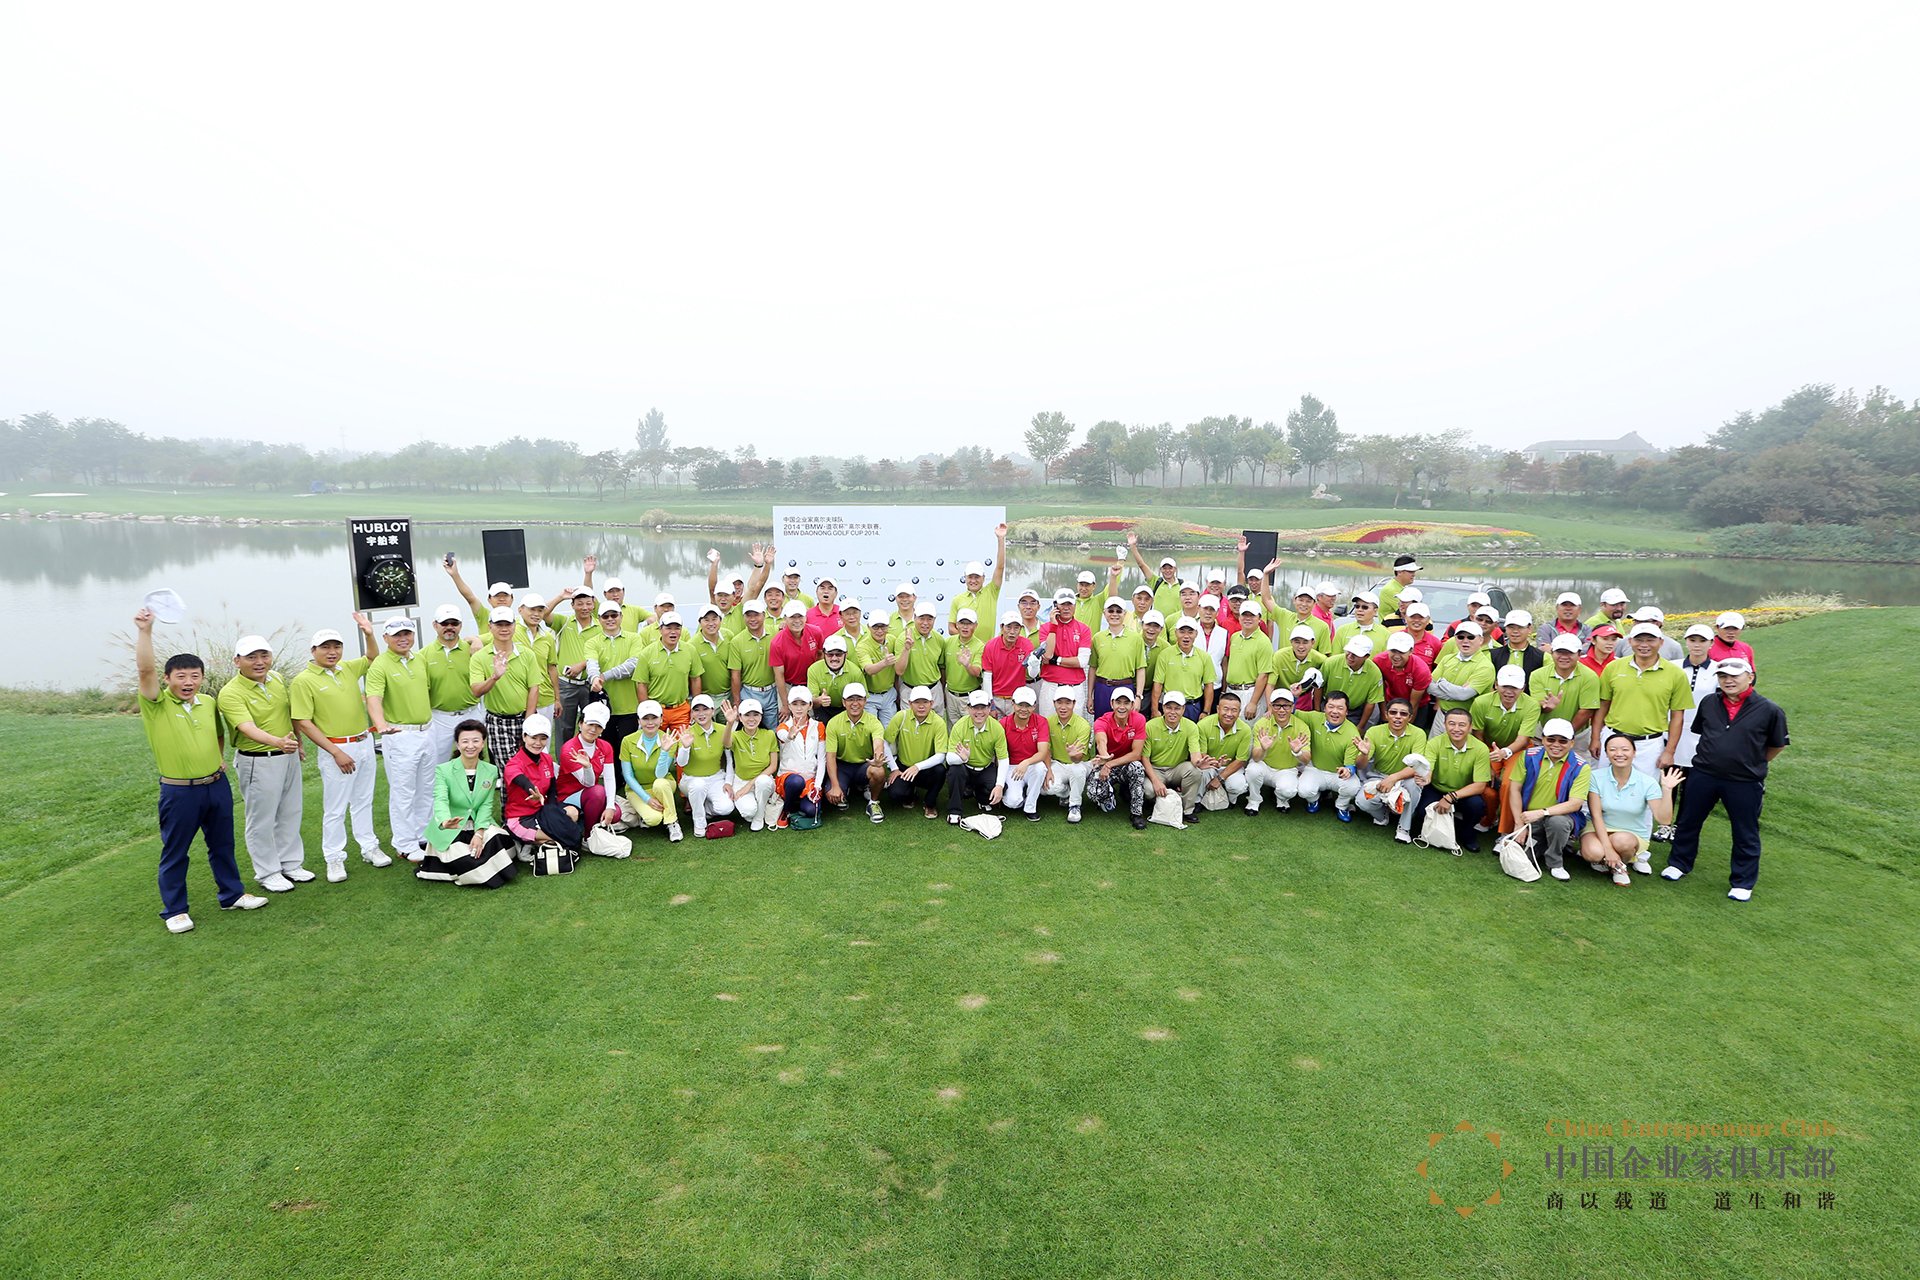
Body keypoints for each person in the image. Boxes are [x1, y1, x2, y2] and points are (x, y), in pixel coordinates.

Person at [133, 608, 267, 932]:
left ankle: (231, 895)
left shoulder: (207, 702)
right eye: (181, 676)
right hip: (180, 791)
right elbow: (145, 669)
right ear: (167, 679)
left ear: (202, 678)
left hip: (216, 785)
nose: (188, 682)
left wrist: (218, 758)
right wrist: (145, 631)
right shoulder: (156, 703)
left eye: (194, 676)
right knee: (176, 851)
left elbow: (218, 733)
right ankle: (175, 910)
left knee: (223, 845)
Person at [1663, 659, 1788, 901]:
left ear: (1750, 677)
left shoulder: (1770, 710)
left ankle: (1742, 882)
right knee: (1688, 821)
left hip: (1744, 780)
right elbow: (1703, 732)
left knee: (1745, 831)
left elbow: (1777, 745)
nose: (1728, 681)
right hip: (1704, 773)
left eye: (1734, 676)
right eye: (1723, 676)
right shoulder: (1709, 702)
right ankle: (1679, 863)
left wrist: (1752, 761)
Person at [292, 615, 393, 882]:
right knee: (335, 808)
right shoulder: (303, 680)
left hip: (364, 742)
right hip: (336, 749)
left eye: (336, 646)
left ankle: (369, 846)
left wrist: (369, 633)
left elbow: (372, 657)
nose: (332, 652)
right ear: (313, 651)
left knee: (363, 800)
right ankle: (334, 858)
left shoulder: (346, 668)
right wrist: (336, 752)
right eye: (325, 647)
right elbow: (303, 721)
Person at [217, 633, 309, 892]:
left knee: (290, 811)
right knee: (261, 819)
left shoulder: (276, 678)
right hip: (258, 760)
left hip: (287, 755)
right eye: (251, 657)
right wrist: (277, 742)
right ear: (237, 661)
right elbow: (247, 728)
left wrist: (298, 743)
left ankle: (291, 863)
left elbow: (290, 715)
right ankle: (268, 872)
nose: (259, 662)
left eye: (264, 655)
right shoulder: (230, 693)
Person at [363, 618, 438, 864]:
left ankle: (423, 836)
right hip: (400, 735)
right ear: (385, 638)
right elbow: (373, 698)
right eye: (396, 635)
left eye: (407, 633)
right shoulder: (380, 665)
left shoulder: (419, 659)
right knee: (403, 792)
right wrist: (380, 725)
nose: (403, 638)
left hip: (427, 731)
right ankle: (404, 844)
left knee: (426, 789)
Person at [1591, 622, 1695, 777]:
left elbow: (1677, 716)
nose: (1644, 645)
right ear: (1630, 641)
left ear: (1661, 642)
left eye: (1650, 640)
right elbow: (1603, 704)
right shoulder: (1613, 667)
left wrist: (1669, 751)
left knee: (1646, 789)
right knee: (1606, 786)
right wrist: (1595, 738)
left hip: (1649, 744)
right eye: (1639, 640)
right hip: (1613, 738)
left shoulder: (1676, 674)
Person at [1581, 733, 1678, 885]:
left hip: (1631, 833)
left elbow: (1663, 819)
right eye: (1613, 749)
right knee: (1593, 853)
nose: (1619, 754)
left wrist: (1667, 790)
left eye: (1625, 749)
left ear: (1634, 753)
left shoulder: (1648, 782)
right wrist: (1608, 849)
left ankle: (1618, 867)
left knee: (1622, 841)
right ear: (1606, 753)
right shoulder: (1595, 777)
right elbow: (1596, 815)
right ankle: (1607, 859)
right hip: (1598, 828)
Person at [1504, 718, 1592, 881]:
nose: (1556, 745)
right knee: (1519, 858)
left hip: (1560, 817)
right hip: (1530, 818)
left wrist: (1542, 812)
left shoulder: (1581, 766)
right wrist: (1519, 823)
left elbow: (1575, 803)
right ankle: (1543, 843)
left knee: (1557, 822)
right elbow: (1515, 789)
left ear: (1572, 743)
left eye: (1563, 741)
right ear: (1543, 739)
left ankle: (1555, 862)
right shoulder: (1528, 756)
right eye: (1551, 739)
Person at [469, 605, 542, 768]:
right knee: (508, 770)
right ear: (490, 626)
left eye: (508, 624)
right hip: (498, 721)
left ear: (514, 626)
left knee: (531, 766)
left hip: (525, 717)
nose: (504, 629)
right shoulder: (479, 657)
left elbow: (534, 688)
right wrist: (494, 677)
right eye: (499, 624)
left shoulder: (527, 654)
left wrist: (528, 721)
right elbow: (476, 691)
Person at [1472, 665, 1541, 835]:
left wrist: (1504, 752)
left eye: (1514, 687)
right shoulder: (1481, 702)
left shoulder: (1532, 705)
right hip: (1489, 748)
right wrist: (1486, 762)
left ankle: (1506, 831)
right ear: (1496, 684)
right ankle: (1489, 819)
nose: (1509, 691)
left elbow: (1522, 740)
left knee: (1509, 784)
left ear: (1523, 688)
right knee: (1485, 783)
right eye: (1505, 686)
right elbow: (1478, 735)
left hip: (1518, 750)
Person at [1352, 698, 1428, 843]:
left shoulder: (1419, 734)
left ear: (1410, 717)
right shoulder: (1374, 731)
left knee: (1415, 784)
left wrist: (1393, 778)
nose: (1398, 717)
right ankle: (1383, 815)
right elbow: (1361, 766)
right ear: (1386, 715)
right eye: (1393, 712)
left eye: (1403, 714)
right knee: (1362, 802)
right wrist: (1364, 754)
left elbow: (1416, 766)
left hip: (1405, 778)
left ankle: (1404, 828)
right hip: (1377, 776)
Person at [1417, 707, 1493, 852]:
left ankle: (1467, 834)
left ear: (1470, 727)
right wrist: (1425, 778)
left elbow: (1480, 785)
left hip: (1463, 792)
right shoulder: (1434, 743)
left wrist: (1450, 797)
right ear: (1444, 725)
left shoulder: (1481, 748)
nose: (1456, 729)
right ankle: (1444, 828)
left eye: (1462, 725)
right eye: (1451, 724)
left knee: (1476, 806)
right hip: (1436, 788)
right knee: (1422, 812)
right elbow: (1428, 770)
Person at [424, 719, 501, 862]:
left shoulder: (491, 770)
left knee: (497, 848)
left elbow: (486, 804)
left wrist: (479, 834)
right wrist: (445, 821)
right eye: (465, 741)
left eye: (475, 741)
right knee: (465, 860)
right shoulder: (443, 770)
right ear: (458, 744)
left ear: (483, 743)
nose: (470, 746)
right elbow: (440, 799)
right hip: (453, 827)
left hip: (479, 823)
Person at [584, 598, 644, 760]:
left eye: (614, 615)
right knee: (608, 750)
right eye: (605, 616)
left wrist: (604, 676)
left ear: (621, 617)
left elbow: (632, 665)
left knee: (628, 750)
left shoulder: (634, 638)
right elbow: (592, 663)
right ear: (599, 619)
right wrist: (594, 677)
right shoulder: (592, 643)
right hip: (604, 707)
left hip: (630, 706)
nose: (610, 619)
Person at [422, 604, 481, 770]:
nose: (449, 627)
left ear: (460, 625)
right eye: (444, 623)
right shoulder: (423, 655)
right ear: (435, 625)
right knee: (438, 764)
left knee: (474, 762)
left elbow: (497, 633)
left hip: (471, 713)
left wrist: (477, 639)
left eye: (454, 623)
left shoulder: (473, 650)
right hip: (440, 717)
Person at [1291, 690, 1363, 820]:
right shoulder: (1315, 717)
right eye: (1331, 706)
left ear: (1347, 711)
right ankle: (1314, 800)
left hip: (1337, 774)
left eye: (1340, 708)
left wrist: (1348, 770)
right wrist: (1295, 697)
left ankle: (1341, 806)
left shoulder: (1352, 733)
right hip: (1315, 768)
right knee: (1304, 790)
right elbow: (1292, 711)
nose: (1335, 711)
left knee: (1353, 786)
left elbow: (1350, 765)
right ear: (1324, 708)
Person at [619, 700, 685, 842]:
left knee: (660, 783)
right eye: (645, 718)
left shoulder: (669, 739)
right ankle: (642, 810)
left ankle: (672, 821)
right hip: (636, 789)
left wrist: (664, 751)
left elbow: (660, 774)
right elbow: (628, 776)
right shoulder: (627, 741)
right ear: (639, 721)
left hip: (663, 784)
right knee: (653, 819)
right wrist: (646, 799)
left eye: (654, 718)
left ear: (661, 720)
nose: (650, 722)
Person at [882, 686, 950, 818]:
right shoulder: (901, 717)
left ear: (931, 703)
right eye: (917, 702)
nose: (921, 706)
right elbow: (885, 742)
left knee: (940, 771)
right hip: (903, 767)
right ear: (910, 703)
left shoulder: (938, 722)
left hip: (926, 768)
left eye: (925, 702)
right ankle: (910, 794)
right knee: (895, 794)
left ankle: (930, 803)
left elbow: (941, 755)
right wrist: (894, 768)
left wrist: (917, 767)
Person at [824, 683, 888, 823]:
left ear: (865, 701)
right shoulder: (834, 723)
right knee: (831, 795)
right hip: (842, 766)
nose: (855, 703)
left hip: (863, 765)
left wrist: (877, 757)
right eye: (850, 699)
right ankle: (845, 788)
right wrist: (835, 785)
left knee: (878, 771)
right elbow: (831, 757)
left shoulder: (873, 722)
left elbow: (878, 744)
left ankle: (873, 803)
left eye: (859, 699)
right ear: (843, 702)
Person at [502, 714, 566, 851]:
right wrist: (533, 791)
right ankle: (523, 841)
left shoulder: (547, 759)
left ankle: (531, 843)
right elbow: (523, 781)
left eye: (543, 738)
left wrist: (553, 813)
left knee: (571, 818)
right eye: (533, 737)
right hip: (520, 818)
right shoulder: (514, 764)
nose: (538, 743)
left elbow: (552, 789)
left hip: (541, 813)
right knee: (562, 837)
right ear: (524, 737)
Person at [1088, 686, 1150, 829]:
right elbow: (1101, 741)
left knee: (1137, 767)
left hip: (1126, 764)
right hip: (1107, 763)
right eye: (1118, 702)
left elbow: (1136, 754)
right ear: (1112, 704)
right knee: (1093, 793)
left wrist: (1109, 763)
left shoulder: (1139, 720)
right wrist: (1104, 757)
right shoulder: (1101, 721)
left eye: (1126, 703)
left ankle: (1136, 813)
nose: (1122, 707)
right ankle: (1110, 793)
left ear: (1132, 705)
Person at [944, 689, 1008, 823]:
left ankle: (978, 795)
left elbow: (1003, 759)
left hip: (985, 767)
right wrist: (963, 758)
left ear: (989, 708)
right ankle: (955, 810)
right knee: (955, 771)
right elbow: (949, 759)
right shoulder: (959, 726)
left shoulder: (997, 728)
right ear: (968, 708)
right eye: (975, 708)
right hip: (965, 768)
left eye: (983, 707)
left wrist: (999, 786)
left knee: (1001, 788)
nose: (979, 712)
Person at [675, 694, 736, 836]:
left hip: (715, 778)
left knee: (726, 808)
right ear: (692, 714)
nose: (701, 713)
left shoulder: (723, 729)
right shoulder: (687, 732)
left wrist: (728, 781)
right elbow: (681, 763)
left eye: (705, 709)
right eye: (696, 710)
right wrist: (685, 747)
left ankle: (701, 808)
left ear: (713, 711)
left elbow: (729, 759)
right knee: (698, 786)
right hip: (691, 779)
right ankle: (699, 823)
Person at [549, 586, 601, 747]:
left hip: (590, 685)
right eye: (580, 603)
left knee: (591, 727)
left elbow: (604, 653)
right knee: (564, 729)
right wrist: (560, 597)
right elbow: (543, 613)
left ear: (593, 604)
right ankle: (564, 761)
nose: (584, 607)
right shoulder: (564, 622)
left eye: (588, 603)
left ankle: (590, 760)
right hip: (566, 685)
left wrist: (583, 665)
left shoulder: (600, 626)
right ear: (572, 605)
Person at [1243, 689, 1307, 814]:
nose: (1281, 710)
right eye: (1277, 705)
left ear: (1292, 707)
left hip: (1287, 769)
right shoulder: (1261, 724)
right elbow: (1256, 758)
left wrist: (1298, 752)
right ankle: (1254, 801)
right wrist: (1263, 748)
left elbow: (1307, 759)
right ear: (1271, 706)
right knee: (1252, 770)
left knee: (1288, 791)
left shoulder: (1301, 726)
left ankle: (1281, 800)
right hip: (1265, 766)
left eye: (1286, 706)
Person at [720, 698, 780, 832]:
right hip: (741, 781)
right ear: (740, 718)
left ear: (761, 717)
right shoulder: (736, 736)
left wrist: (749, 785)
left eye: (756, 714)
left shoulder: (769, 734)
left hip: (763, 781)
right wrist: (730, 723)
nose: (751, 719)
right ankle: (760, 808)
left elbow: (773, 766)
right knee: (748, 813)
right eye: (747, 715)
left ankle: (760, 816)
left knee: (763, 781)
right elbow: (726, 743)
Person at [774, 686, 828, 829]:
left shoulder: (819, 726)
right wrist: (790, 735)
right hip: (788, 778)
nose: (799, 708)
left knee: (811, 810)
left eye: (803, 704)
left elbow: (821, 759)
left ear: (810, 705)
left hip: (810, 779)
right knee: (796, 782)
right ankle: (787, 810)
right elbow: (783, 736)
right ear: (789, 706)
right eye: (795, 704)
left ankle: (798, 803)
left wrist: (817, 786)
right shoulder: (784, 726)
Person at [995, 687, 1052, 821]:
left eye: (1028, 705)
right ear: (1013, 704)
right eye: (1020, 705)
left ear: (1034, 706)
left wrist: (1026, 762)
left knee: (1040, 768)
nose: (1024, 709)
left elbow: (1043, 752)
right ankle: (1024, 795)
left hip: (1032, 764)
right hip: (1011, 767)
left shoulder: (1041, 721)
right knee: (1013, 802)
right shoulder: (1003, 724)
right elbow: (999, 755)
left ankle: (1030, 807)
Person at [557, 701, 617, 827]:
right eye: (590, 724)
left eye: (598, 726)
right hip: (568, 797)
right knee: (598, 792)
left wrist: (610, 806)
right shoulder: (569, 749)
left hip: (592, 795)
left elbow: (609, 778)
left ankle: (586, 819)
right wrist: (588, 767)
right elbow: (588, 783)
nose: (593, 729)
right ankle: (588, 832)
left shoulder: (605, 746)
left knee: (616, 813)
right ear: (580, 724)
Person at [1427, 621, 1495, 730]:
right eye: (1460, 637)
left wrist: (1441, 683)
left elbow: (1464, 695)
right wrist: (1456, 693)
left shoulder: (1485, 666)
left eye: (1471, 637)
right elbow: (1429, 687)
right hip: (1441, 717)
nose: (1465, 641)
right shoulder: (1447, 659)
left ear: (1480, 640)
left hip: (1465, 721)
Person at [1040, 688, 1095, 822]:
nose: (1063, 707)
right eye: (1059, 702)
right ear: (1054, 703)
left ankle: (1075, 805)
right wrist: (1048, 770)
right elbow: (1046, 749)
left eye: (1068, 703)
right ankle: (1067, 793)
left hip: (1081, 763)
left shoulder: (1083, 725)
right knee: (1047, 788)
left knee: (1077, 769)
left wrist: (1073, 755)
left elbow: (1079, 758)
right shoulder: (1048, 722)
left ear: (1074, 703)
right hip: (1058, 763)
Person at [1531, 633, 1601, 737]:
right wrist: (1548, 707)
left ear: (1579, 654)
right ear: (1551, 652)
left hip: (1577, 735)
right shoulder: (1537, 675)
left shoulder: (1589, 677)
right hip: (1543, 732)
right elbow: (1539, 706)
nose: (1564, 657)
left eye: (1569, 653)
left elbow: (1586, 711)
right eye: (1559, 652)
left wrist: (1565, 736)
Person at [1035, 589, 1093, 714]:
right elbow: (1048, 655)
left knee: (1074, 724)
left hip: (1075, 687)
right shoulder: (1046, 628)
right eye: (1062, 604)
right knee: (1048, 723)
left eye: (1070, 604)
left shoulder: (1084, 629)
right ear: (1055, 606)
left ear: (1075, 605)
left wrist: (1056, 660)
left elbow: (1082, 661)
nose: (1066, 608)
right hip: (1051, 685)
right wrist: (1053, 626)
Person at [638, 611, 696, 732]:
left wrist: (696, 707)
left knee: (683, 742)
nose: (673, 632)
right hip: (656, 710)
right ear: (660, 629)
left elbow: (695, 679)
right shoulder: (647, 653)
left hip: (681, 709)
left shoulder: (690, 650)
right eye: (668, 628)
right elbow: (642, 684)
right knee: (657, 742)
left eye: (677, 628)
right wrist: (646, 711)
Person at [1193, 690, 1252, 810]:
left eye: (1234, 710)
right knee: (1203, 773)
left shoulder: (1245, 730)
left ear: (1239, 712)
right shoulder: (1203, 724)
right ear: (1218, 709)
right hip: (1209, 765)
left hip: (1231, 766)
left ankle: (1231, 799)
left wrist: (1219, 778)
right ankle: (1197, 801)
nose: (1229, 714)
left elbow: (1241, 760)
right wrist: (1214, 762)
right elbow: (1202, 753)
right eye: (1226, 709)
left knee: (1238, 786)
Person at [1089, 597, 1147, 717]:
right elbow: (1093, 667)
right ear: (1104, 613)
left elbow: (1140, 668)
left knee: (1125, 724)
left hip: (1125, 686)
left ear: (1124, 614)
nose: (1114, 614)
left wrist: (1138, 696)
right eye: (1110, 611)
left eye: (1118, 611)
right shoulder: (1097, 638)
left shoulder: (1136, 638)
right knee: (1101, 723)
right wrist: (1090, 696)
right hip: (1102, 688)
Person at [1153, 617, 1217, 721]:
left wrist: (1206, 711)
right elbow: (1158, 684)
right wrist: (1155, 709)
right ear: (1175, 633)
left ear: (1196, 634)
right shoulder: (1165, 655)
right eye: (1182, 632)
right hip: (1170, 706)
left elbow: (1209, 685)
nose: (1186, 636)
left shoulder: (1204, 657)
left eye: (1190, 632)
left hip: (1193, 706)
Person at [726, 598, 777, 718]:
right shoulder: (737, 641)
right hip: (749, 693)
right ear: (744, 617)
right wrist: (737, 702)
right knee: (750, 726)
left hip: (772, 692)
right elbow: (735, 675)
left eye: (756, 615)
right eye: (748, 616)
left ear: (764, 615)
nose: (752, 619)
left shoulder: (775, 632)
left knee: (774, 727)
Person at [770, 600, 824, 711]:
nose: (797, 621)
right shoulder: (777, 643)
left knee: (811, 718)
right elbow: (779, 676)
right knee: (787, 718)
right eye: (792, 617)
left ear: (806, 617)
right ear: (785, 619)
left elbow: (820, 654)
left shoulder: (816, 632)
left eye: (800, 616)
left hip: (810, 684)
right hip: (788, 686)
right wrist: (785, 705)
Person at [1322, 636, 1384, 733]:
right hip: (1328, 706)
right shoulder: (1331, 662)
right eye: (1349, 652)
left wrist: (1360, 726)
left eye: (1355, 654)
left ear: (1366, 656)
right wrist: (1317, 711)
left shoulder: (1374, 673)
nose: (1350, 656)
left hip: (1354, 711)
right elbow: (1319, 686)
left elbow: (1371, 702)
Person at [1221, 601, 1274, 712]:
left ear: (1259, 618)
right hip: (1231, 691)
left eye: (1252, 616)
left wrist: (1253, 703)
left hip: (1249, 693)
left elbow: (1263, 675)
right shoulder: (1235, 637)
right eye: (1244, 615)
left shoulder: (1264, 642)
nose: (1248, 619)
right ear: (1239, 617)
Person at [853, 613, 901, 722]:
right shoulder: (862, 646)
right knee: (871, 728)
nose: (879, 631)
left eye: (883, 627)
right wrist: (884, 662)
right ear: (868, 627)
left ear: (888, 627)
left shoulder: (892, 640)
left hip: (889, 694)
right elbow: (869, 670)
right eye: (875, 627)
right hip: (870, 696)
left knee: (889, 729)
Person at [1374, 631, 1432, 721]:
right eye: (1393, 651)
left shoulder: (1421, 670)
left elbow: (1414, 703)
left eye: (1401, 652)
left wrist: (1408, 724)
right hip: (1391, 701)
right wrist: (1384, 714)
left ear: (1411, 651)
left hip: (1417, 705)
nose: (1396, 656)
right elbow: (1380, 690)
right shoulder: (1379, 661)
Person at [1125, 531, 1183, 618]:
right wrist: (1133, 547)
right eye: (1164, 568)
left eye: (1170, 568)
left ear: (1175, 569)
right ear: (1161, 569)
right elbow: (1141, 565)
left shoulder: (1182, 585)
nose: (1167, 571)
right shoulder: (1156, 582)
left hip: (1176, 623)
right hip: (1157, 623)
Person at [807, 633, 859, 723]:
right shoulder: (814, 669)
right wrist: (819, 700)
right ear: (824, 654)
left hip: (847, 708)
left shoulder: (855, 671)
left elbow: (861, 700)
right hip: (823, 708)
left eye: (839, 654)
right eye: (830, 654)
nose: (834, 658)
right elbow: (811, 702)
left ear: (846, 654)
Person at [1378, 555, 1420, 623]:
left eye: (1414, 572)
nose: (1413, 574)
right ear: (1399, 572)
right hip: (1390, 628)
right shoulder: (1390, 589)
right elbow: (1410, 612)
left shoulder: (1404, 588)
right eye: (1410, 572)